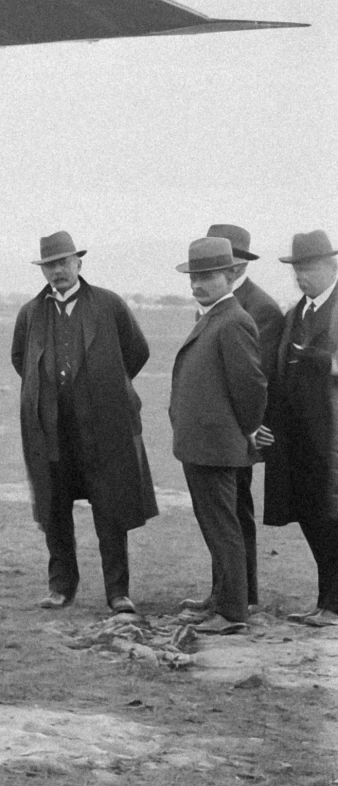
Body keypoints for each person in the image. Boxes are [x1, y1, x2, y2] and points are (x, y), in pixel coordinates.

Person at [9, 232, 158, 613]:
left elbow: (136, 353)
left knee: (110, 509)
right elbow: (21, 362)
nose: (57, 270)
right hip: (53, 432)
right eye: (50, 265)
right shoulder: (30, 313)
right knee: (55, 508)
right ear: (43, 270)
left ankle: (117, 592)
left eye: (64, 262)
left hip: (103, 429)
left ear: (79, 263)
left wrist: (103, 389)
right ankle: (61, 587)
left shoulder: (109, 305)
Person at [168, 234, 267, 635]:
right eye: (194, 276)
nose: (198, 283)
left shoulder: (234, 320)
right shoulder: (214, 316)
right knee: (217, 526)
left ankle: (232, 613)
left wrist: (243, 432)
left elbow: (252, 387)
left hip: (217, 447)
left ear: (230, 274)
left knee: (224, 528)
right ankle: (222, 596)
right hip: (203, 446)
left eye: (208, 276)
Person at [258, 230, 338, 627]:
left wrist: (324, 360)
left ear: (331, 266)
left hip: (333, 438)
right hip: (296, 439)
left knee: (332, 515)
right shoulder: (295, 315)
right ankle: (326, 601)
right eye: (296, 269)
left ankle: (333, 605)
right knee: (310, 514)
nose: (301, 276)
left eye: (308, 268)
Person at [207, 224, 284, 605]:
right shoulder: (217, 302)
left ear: (241, 262)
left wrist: (248, 429)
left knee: (235, 512)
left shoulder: (261, 308)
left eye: (228, 257)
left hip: (241, 429)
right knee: (221, 514)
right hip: (219, 427)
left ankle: (244, 596)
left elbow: (259, 379)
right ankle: (224, 592)